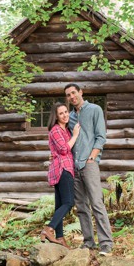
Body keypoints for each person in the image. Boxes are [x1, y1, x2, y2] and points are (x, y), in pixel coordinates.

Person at [65, 83, 113, 254]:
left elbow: (101, 136)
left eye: (73, 93)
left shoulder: (95, 109)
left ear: (80, 92)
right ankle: (88, 242)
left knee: (97, 203)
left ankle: (106, 244)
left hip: (89, 164)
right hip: (74, 165)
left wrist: (92, 157)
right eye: (68, 95)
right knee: (81, 206)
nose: (71, 97)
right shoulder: (69, 117)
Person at [42, 103, 80, 246]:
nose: (65, 115)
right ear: (56, 116)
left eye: (66, 112)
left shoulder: (65, 130)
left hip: (62, 168)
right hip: (63, 169)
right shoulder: (56, 130)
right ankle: (49, 229)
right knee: (69, 202)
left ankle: (59, 237)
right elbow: (64, 149)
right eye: (61, 113)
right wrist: (75, 135)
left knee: (59, 205)